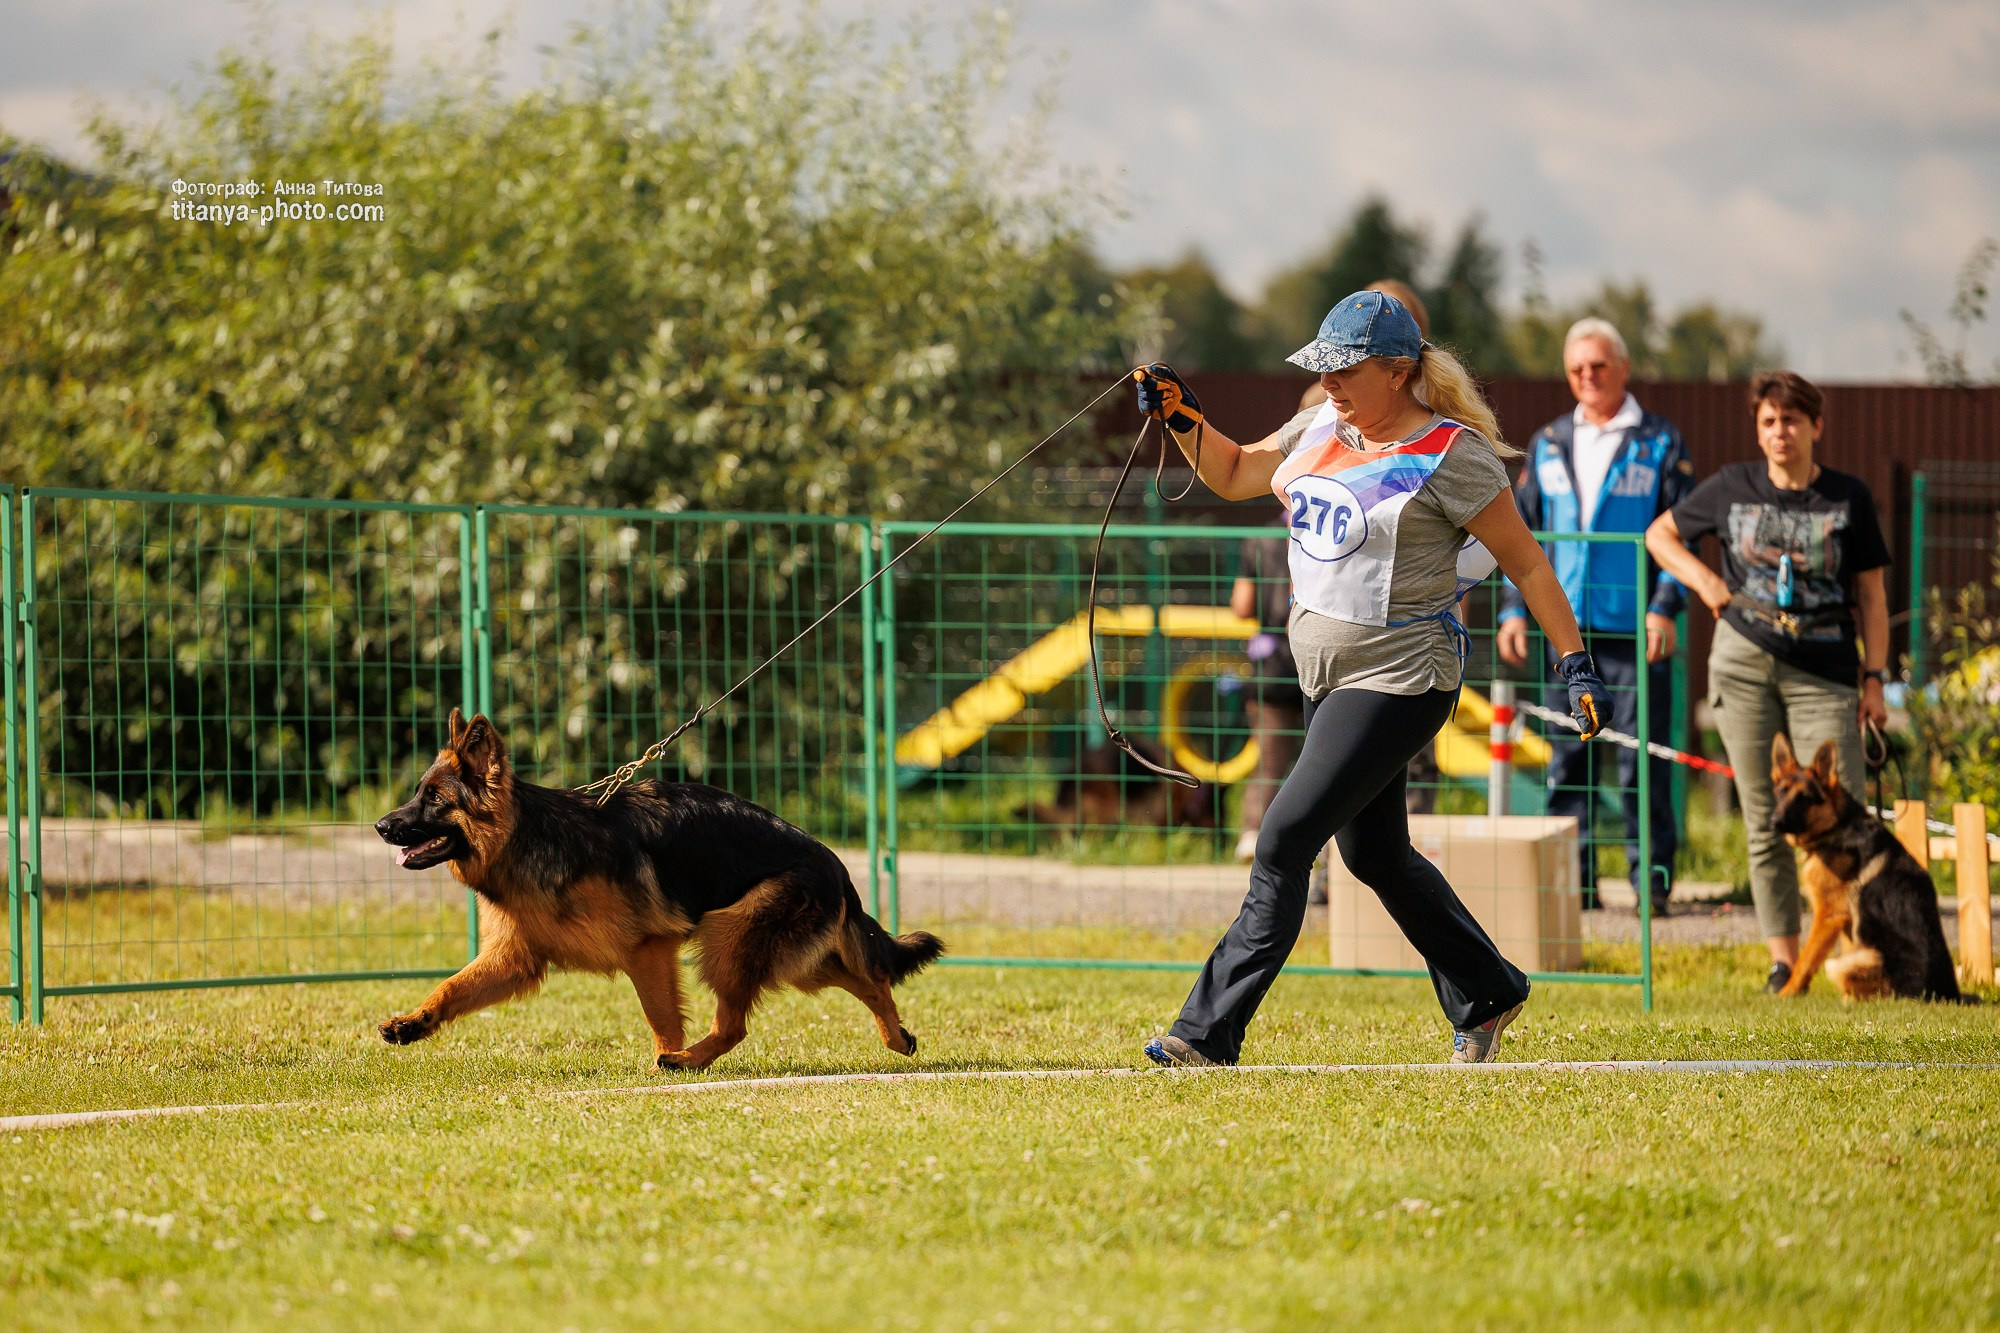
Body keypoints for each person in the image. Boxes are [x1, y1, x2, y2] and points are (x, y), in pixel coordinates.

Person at [1133, 290, 1609, 1066]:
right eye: (1323, 368)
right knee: (1375, 856)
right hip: (1326, 678)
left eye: (1346, 370)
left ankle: (1206, 1032)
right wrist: (1183, 416)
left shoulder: (1452, 453)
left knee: (1284, 839)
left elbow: (1526, 562)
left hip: (1403, 677)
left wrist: (1575, 662)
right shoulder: (1320, 424)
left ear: (1397, 371)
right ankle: (1488, 990)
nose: (1330, 383)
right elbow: (1233, 471)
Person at [1644, 371, 1891, 994]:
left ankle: (1862, 958)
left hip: (1826, 670)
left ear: (1816, 426)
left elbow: (1871, 595)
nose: (1781, 432)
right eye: (1769, 421)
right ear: (1759, 430)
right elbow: (1660, 535)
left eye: (1792, 420)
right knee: (1765, 817)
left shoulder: (1848, 496)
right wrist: (1706, 583)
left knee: (1842, 816)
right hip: (1744, 662)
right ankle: (1785, 964)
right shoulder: (1732, 485)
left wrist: (1874, 680)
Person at [1497, 317, 1697, 916]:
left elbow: (1684, 534)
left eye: (1599, 365)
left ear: (1624, 368)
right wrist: (1513, 609)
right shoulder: (1549, 441)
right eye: (1576, 368)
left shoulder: (1660, 441)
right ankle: (1574, 889)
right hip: (1566, 633)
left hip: (1636, 629)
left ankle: (1650, 886)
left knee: (1641, 762)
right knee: (1567, 762)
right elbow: (1519, 533)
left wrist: (1666, 607)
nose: (1588, 376)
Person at [1230, 508, 1306, 862]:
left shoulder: (1259, 539)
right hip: (1317, 661)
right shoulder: (1330, 529)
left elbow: (1242, 606)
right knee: (1327, 762)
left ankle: (1252, 834)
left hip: (1271, 665)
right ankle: (1325, 844)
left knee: (1269, 761)